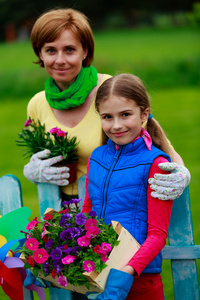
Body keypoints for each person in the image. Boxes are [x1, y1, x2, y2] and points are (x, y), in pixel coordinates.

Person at [23, 7, 190, 204]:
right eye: (51, 50)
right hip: (61, 211)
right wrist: (33, 169)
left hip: (118, 204)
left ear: (85, 51)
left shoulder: (111, 91)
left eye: (69, 50)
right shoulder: (37, 104)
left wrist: (181, 172)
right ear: (40, 54)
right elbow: (41, 157)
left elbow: (158, 139)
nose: (60, 60)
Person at [81, 73, 186, 300]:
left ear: (144, 113)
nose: (116, 125)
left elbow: (157, 234)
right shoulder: (97, 157)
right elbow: (87, 212)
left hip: (140, 279)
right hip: (100, 274)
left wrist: (126, 271)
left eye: (125, 115)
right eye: (107, 117)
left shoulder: (155, 164)